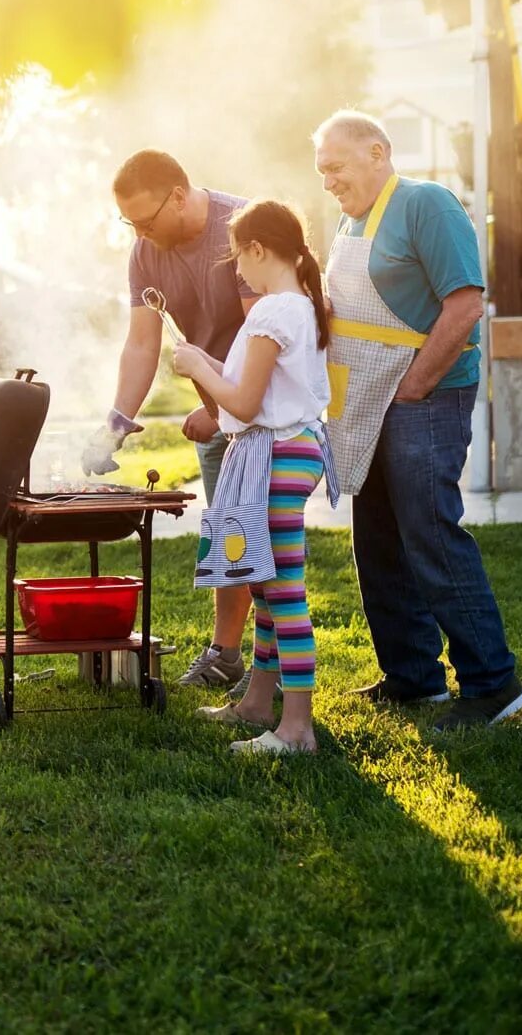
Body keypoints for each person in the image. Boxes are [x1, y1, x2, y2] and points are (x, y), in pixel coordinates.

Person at [312, 110, 522, 730]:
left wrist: (413, 386)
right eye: (322, 170)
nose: (328, 180)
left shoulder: (427, 204)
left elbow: (466, 304)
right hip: (367, 399)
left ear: (377, 152)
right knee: (376, 535)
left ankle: (493, 684)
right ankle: (413, 678)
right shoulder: (351, 220)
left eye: (336, 166)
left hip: (422, 397)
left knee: (429, 531)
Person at [81, 149, 259, 694]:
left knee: (258, 540)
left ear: (179, 194)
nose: (139, 233)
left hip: (262, 412)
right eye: (129, 223)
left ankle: (269, 674)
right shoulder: (145, 252)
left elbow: (268, 336)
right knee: (230, 533)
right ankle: (227, 655)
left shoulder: (243, 228)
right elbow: (141, 343)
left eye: (147, 220)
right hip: (217, 409)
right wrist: (115, 422)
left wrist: (221, 410)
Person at [168, 200, 338, 754]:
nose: (235, 269)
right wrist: (206, 361)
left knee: (283, 592)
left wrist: (197, 369)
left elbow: (240, 402)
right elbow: (251, 393)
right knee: (265, 584)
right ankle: (257, 705)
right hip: (288, 448)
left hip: (278, 455)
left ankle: (297, 729)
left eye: (237, 257)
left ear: (258, 249)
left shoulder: (270, 312)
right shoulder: (299, 305)